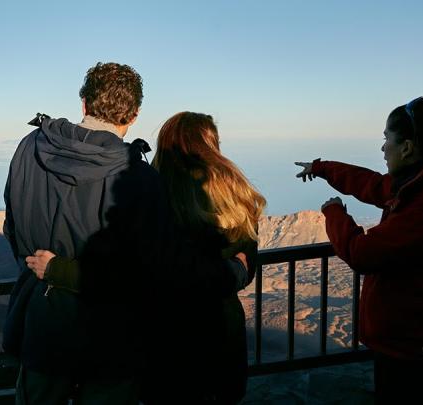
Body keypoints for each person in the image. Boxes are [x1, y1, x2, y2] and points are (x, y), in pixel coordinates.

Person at [28, 112, 265, 403]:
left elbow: (138, 275)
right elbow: (243, 264)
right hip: (221, 337)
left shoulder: (154, 194)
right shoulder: (239, 198)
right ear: (211, 144)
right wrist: (235, 273)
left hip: (166, 342)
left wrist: (57, 269)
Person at [2, 62, 161, 404]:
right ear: (133, 116)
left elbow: (12, 225)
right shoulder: (140, 176)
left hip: (43, 326)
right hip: (112, 339)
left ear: (85, 104)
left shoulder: (31, 148)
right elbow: (145, 271)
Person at [295, 97, 423, 404]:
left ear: (408, 147)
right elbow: (373, 185)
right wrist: (322, 169)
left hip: (417, 350)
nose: (383, 149)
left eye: (387, 139)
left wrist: (335, 214)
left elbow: (363, 253)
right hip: (417, 342)